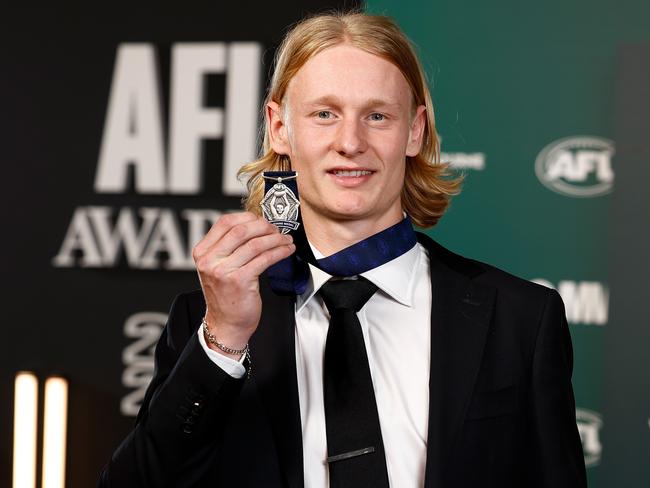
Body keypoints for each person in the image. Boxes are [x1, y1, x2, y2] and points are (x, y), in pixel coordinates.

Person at [99, 11, 587, 488]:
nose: (350, 142)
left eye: (377, 116)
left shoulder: (521, 319)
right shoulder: (207, 323)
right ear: (279, 128)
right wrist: (225, 338)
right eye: (324, 114)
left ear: (413, 131)